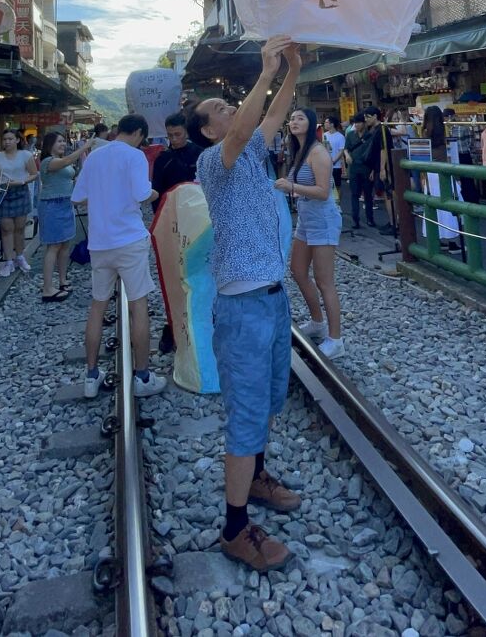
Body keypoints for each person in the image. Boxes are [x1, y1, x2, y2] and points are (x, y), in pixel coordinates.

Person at [187, 36, 301, 573]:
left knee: (270, 401)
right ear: (208, 129)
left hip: (274, 302)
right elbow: (241, 129)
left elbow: (273, 115)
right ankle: (234, 528)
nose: (230, 111)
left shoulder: (254, 152)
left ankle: (256, 477)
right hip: (242, 308)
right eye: (219, 110)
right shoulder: (213, 161)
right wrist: (263, 72)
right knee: (247, 413)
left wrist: (292, 70)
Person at [71, 114, 167, 399]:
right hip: (129, 240)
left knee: (98, 306)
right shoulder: (135, 156)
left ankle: (90, 376)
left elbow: (78, 197)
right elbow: (141, 194)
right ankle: (143, 377)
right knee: (138, 305)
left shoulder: (96, 157)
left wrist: (105, 195)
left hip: (100, 243)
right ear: (138, 133)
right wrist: (154, 192)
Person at [275, 107, 343, 358]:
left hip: (323, 220)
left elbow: (323, 191)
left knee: (325, 280)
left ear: (311, 123)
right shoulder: (298, 152)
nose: (294, 122)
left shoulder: (318, 152)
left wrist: (291, 186)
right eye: (291, 118)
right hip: (306, 220)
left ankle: (336, 339)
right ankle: (317, 322)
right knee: (298, 270)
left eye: (300, 118)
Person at [151, 112, 204, 354]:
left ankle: (202, 323)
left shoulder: (201, 153)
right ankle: (172, 325)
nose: (174, 139)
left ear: (187, 132)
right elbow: (157, 195)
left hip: (200, 225)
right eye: (170, 135)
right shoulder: (163, 159)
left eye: (178, 134)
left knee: (200, 275)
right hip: (173, 226)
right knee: (174, 277)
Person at [39, 131, 93, 302]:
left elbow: (69, 177)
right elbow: (67, 161)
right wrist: (84, 147)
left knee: (64, 245)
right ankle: (47, 288)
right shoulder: (48, 161)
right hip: (52, 205)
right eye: (59, 142)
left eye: (64, 141)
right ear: (49, 145)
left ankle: (62, 280)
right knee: (53, 246)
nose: (63, 144)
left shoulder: (61, 161)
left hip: (65, 204)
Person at [0, 131, 39, 277]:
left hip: (20, 190)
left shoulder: (26, 155)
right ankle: (8, 260)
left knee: (20, 227)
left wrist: (22, 181)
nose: (7, 142)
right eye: (4, 139)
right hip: (3, 191)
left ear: (17, 140)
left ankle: (20, 256)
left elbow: (34, 174)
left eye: (10, 139)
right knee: (6, 228)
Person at [421, 105, 459, 245]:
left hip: (431, 171)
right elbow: (450, 154)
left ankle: (438, 240)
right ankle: (453, 242)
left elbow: (423, 155)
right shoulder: (445, 130)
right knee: (450, 206)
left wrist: (423, 176)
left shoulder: (424, 131)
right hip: (445, 170)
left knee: (433, 206)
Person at [363, 106, 396, 235]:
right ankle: (392, 222)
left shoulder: (382, 129)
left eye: (368, 117)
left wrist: (382, 168)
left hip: (385, 167)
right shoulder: (376, 130)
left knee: (389, 195)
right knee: (385, 195)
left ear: (375, 116)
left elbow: (384, 149)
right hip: (378, 167)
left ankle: (394, 223)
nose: (366, 119)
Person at [443, 107, 479, 204]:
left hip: (455, 156)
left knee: (459, 180)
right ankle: (473, 201)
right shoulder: (464, 127)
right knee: (468, 180)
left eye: (445, 118)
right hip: (465, 155)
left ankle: (463, 201)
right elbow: (471, 144)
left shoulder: (448, 129)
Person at [345, 112, 375, 230]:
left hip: (367, 167)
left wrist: (373, 170)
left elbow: (374, 153)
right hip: (354, 168)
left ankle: (370, 218)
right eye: (355, 123)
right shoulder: (351, 135)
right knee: (354, 194)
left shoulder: (370, 135)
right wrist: (347, 155)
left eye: (358, 123)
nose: (356, 125)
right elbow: (346, 148)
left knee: (368, 195)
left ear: (364, 123)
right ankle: (355, 219)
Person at [322, 115, 345, 192]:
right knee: (326, 186)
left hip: (336, 166)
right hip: (325, 165)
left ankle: (338, 203)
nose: (324, 124)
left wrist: (333, 161)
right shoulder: (324, 135)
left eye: (326, 122)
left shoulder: (340, 136)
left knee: (337, 186)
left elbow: (341, 151)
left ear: (332, 124)